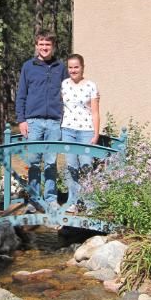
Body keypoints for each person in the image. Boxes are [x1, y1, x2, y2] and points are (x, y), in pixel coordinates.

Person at [16, 30, 68, 210]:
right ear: (36, 46)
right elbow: (21, 94)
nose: (45, 47)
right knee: (33, 162)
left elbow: (68, 94)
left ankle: (51, 198)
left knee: (51, 162)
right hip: (33, 122)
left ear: (53, 47)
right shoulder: (28, 66)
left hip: (54, 122)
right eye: (41, 44)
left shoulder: (60, 68)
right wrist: (21, 120)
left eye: (48, 45)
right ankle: (35, 199)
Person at [61, 54, 100, 213]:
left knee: (86, 166)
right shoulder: (64, 84)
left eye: (76, 67)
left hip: (86, 131)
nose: (73, 70)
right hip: (68, 130)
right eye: (70, 67)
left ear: (82, 67)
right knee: (71, 167)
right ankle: (73, 201)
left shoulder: (91, 86)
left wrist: (96, 134)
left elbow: (96, 113)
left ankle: (90, 203)